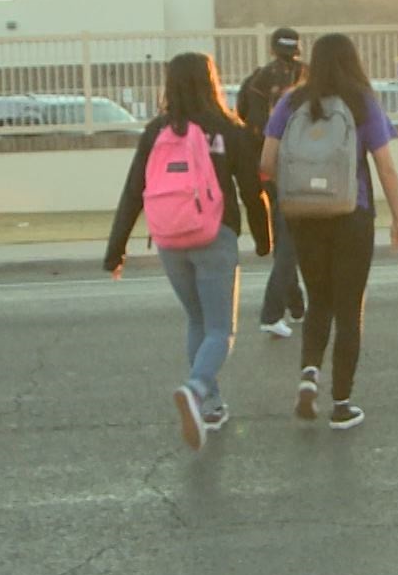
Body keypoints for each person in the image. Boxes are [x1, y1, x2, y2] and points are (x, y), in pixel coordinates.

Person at [104, 53, 272, 449]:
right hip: (215, 235)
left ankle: (210, 408)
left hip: (169, 239)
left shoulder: (157, 130)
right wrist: (265, 240)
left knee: (198, 321)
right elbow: (252, 188)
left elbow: (133, 192)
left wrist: (116, 250)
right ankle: (196, 389)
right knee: (220, 329)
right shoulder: (228, 128)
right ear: (210, 80)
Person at [261, 33, 398, 430]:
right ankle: (341, 403)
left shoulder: (291, 103)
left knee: (318, 300)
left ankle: (309, 373)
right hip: (352, 214)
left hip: (304, 218)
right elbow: (386, 168)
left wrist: (297, 194)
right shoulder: (362, 102)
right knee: (349, 307)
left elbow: (266, 162)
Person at [238, 26, 307, 338]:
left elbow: (249, 122)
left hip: (267, 165)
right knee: (290, 239)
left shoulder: (259, 79)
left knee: (284, 233)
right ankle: (276, 309)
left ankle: (296, 304)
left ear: (271, 48)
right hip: (303, 166)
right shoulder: (310, 77)